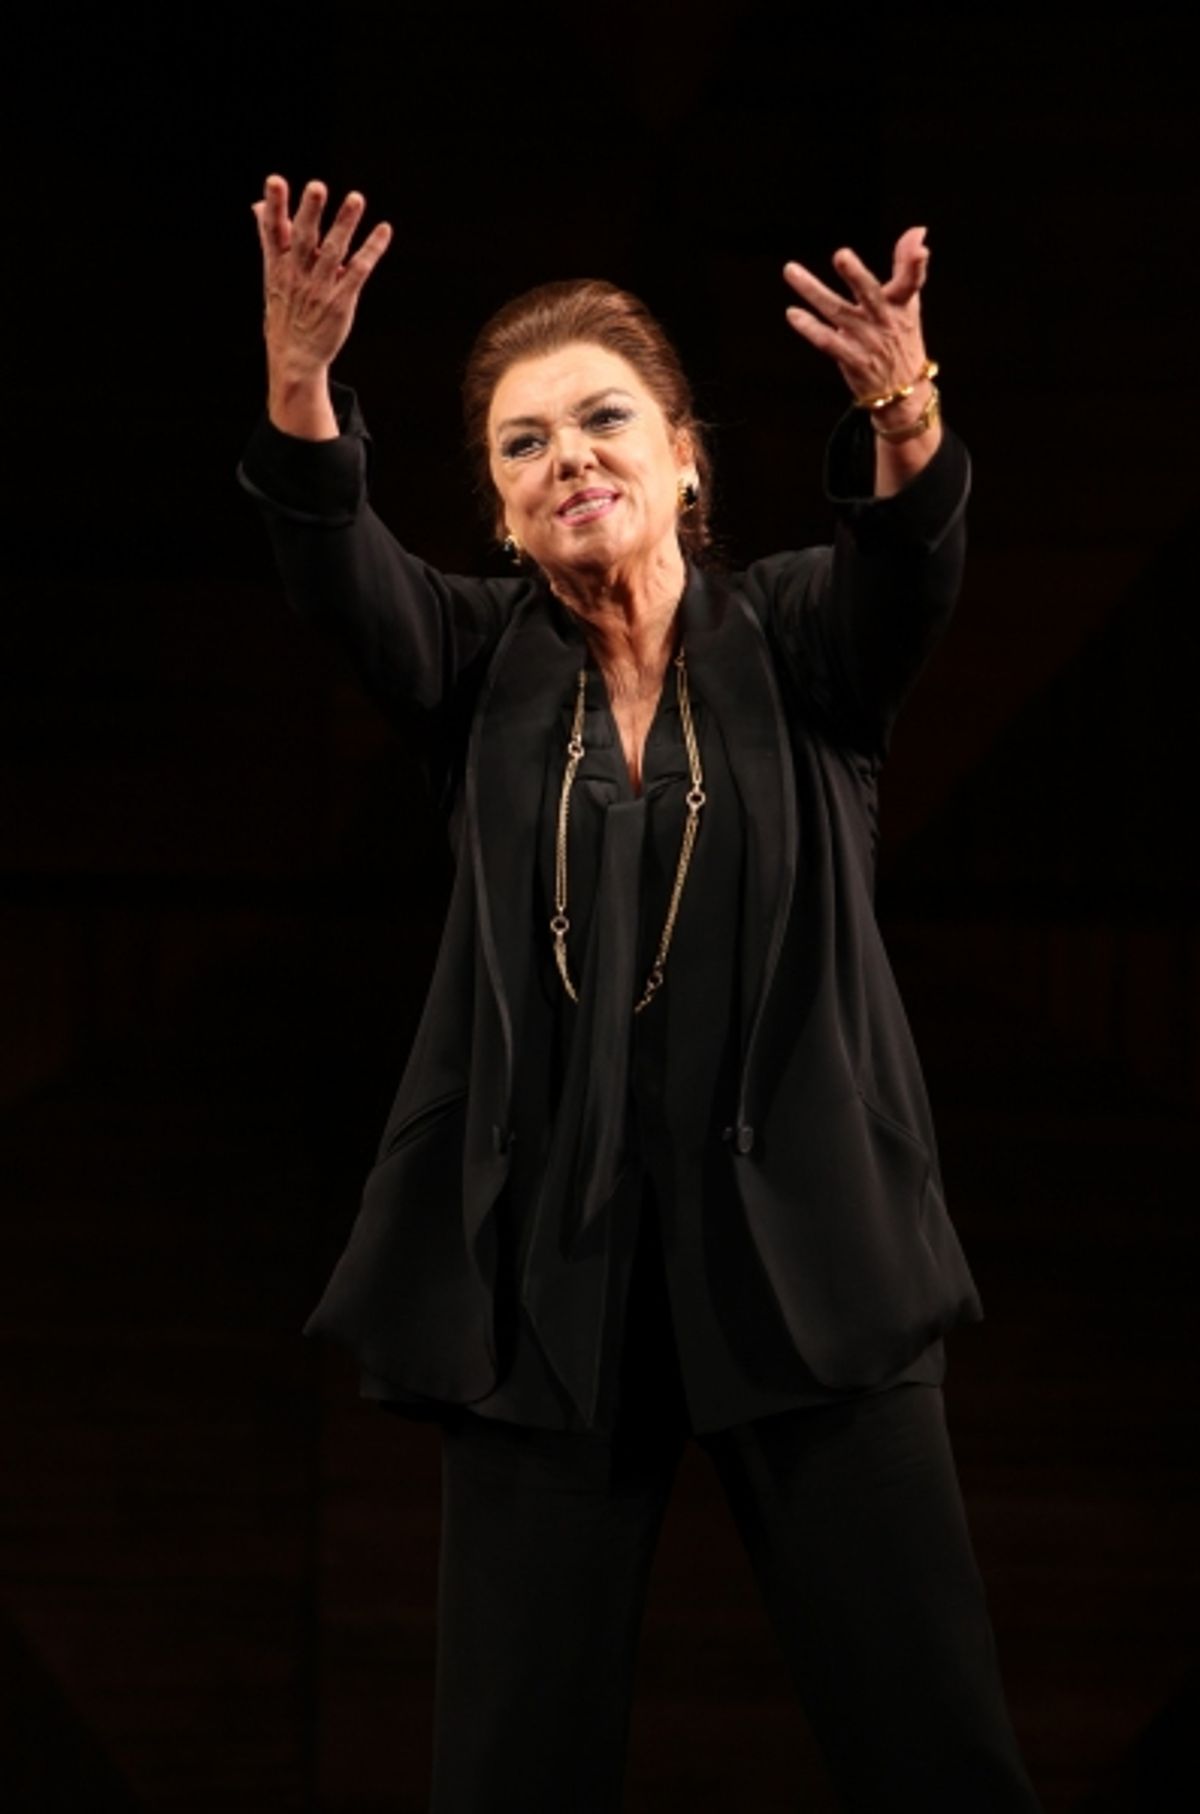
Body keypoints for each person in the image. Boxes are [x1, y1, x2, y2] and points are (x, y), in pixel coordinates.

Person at [239, 173, 1044, 1813]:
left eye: (603, 418)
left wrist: (904, 406)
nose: (568, 458)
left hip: (809, 1270)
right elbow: (338, 571)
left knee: (934, 1753)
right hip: (551, 1292)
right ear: (499, 507)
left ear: (686, 454)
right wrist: (305, 385)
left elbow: (912, 560)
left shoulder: (803, 642)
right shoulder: (474, 669)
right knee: (510, 1774)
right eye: (523, 445)